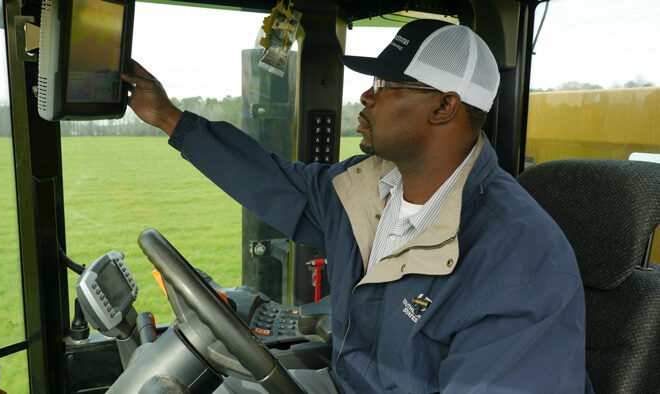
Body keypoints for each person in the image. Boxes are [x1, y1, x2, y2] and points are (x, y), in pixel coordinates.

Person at [123, 19, 592, 393]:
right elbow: (270, 181)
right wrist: (168, 117)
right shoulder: (366, 187)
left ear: (445, 106)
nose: (367, 95)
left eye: (387, 83)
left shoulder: (520, 263)